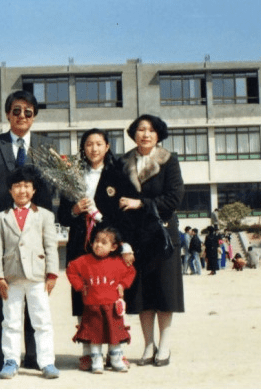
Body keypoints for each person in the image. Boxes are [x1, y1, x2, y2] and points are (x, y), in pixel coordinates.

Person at [0, 90, 54, 373]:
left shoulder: (45, 146)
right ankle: (4, 357)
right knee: (5, 295)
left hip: (34, 229)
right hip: (5, 228)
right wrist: (5, 216)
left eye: (28, 112)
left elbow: (49, 188)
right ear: (8, 114)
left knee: (35, 295)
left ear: (34, 116)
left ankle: (34, 356)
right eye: (17, 111)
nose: (22, 116)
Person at [57, 128, 139, 370]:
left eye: (99, 144)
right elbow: (62, 215)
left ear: (107, 147)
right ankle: (88, 351)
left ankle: (115, 350)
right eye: (89, 144)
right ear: (83, 148)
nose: (94, 148)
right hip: (80, 245)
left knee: (111, 297)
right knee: (84, 297)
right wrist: (74, 210)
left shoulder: (118, 176)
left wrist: (124, 244)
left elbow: (126, 216)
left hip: (108, 246)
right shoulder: (72, 176)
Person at [118, 114, 184, 367]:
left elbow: (174, 198)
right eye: (141, 129)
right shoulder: (123, 162)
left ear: (158, 135)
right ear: (133, 133)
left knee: (165, 291)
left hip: (163, 235)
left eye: (151, 130)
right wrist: (124, 242)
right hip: (136, 236)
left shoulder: (169, 160)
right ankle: (148, 345)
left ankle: (164, 346)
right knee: (142, 294)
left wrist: (141, 203)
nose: (145, 134)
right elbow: (118, 200)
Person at [0, 166, 60, 379]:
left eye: (27, 186)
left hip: (37, 277)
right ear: (10, 190)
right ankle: (11, 361)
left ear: (34, 190)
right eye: (17, 186)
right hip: (10, 278)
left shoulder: (45, 216)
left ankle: (47, 361)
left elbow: (51, 246)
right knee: (10, 321)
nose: (22, 190)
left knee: (42, 320)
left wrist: (52, 274)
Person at [66, 227, 136, 374]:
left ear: (114, 247)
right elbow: (71, 269)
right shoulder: (84, 261)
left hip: (112, 307)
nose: (98, 245)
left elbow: (131, 271)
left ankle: (116, 359)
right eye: (96, 241)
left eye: (104, 243)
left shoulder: (118, 262)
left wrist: (122, 285)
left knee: (114, 334)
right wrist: (80, 286)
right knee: (95, 335)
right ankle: (96, 360)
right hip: (92, 307)